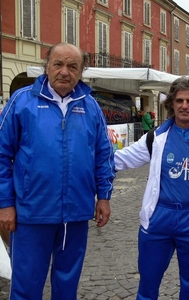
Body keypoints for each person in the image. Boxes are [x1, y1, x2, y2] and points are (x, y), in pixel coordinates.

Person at [0, 43, 115, 299]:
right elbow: (1, 154)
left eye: (72, 67)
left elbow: (103, 156)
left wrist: (104, 197)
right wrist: (5, 203)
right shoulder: (22, 102)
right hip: (31, 213)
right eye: (58, 64)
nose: (65, 72)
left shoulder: (91, 107)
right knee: (26, 286)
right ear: (47, 66)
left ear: (81, 72)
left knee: (67, 286)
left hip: (75, 215)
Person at [114, 76, 189, 300]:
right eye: (179, 101)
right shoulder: (155, 138)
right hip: (159, 217)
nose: (184, 106)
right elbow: (121, 159)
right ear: (172, 104)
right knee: (147, 285)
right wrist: (86, 160)